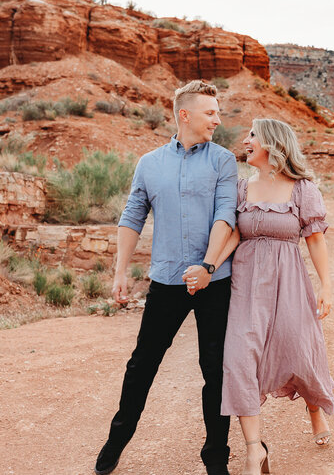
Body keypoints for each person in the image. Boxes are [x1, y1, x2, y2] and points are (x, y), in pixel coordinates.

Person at [94, 80, 238, 475]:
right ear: (184, 114)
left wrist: (207, 267)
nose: (218, 119)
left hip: (215, 282)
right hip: (167, 282)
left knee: (216, 369)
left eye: (218, 112)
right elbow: (132, 216)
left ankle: (215, 457)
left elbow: (227, 215)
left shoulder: (223, 160)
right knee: (142, 364)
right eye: (210, 112)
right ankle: (116, 441)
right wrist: (120, 271)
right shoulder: (149, 163)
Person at [209, 118, 334, 475]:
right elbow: (233, 234)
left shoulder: (302, 189)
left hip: (289, 281)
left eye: (252, 136)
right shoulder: (240, 188)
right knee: (239, 359)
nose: (245, 141)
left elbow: (314, 239)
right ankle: (253, 450)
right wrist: (209, 267)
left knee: (299, 350)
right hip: (246, 285)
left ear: (272, 144)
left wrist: (326, 286)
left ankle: (314, 410)